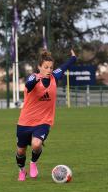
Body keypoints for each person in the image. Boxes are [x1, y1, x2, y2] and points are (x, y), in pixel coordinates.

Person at [15, 49, 76, 181]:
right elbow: (28, 84)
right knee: (20, 151)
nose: (49, 70)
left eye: (51, 67)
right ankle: (21, 171)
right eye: (46, 67)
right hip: (25, 121)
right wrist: (36, 80)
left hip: (44, 121)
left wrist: (73, 58)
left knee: (36, 144)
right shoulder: (33, 77)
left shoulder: (54, 77)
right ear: (39, 67)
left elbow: (64, 67)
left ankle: (33, 163)